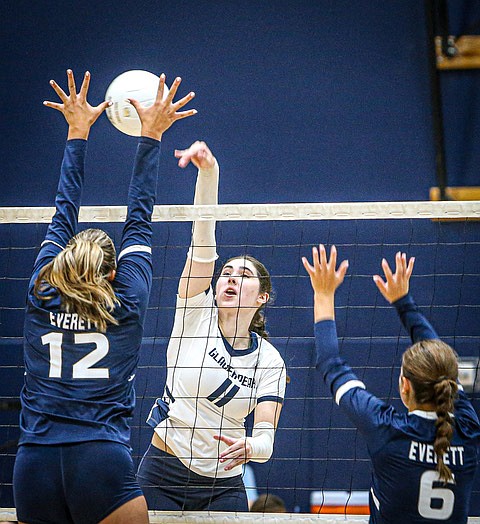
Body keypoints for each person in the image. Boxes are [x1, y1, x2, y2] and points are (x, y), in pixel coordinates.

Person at [13, 69, 196, 524]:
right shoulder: (126, 300)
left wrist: (77, 131)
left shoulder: (42, 289)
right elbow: (140, 215)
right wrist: (150, 135)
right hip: (99, 459)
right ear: (114, 272)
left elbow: (63, 211)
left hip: (33, 462)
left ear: (63, 261)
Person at [137, 141, 287, 511]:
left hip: (224, 486)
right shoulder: (195, 312)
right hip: (163, 472)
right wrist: (209, 173)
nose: (231, 278)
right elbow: (202, 243)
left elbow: (266, 436)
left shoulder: (270, 362)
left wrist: (253, 447)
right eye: (227, 273)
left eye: (244, 274)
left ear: (262, 297)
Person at [302, 246, 480, 523]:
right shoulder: (468, 430)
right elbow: (332, 363)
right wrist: (404, 302)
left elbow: (330, 363)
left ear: (404, 386)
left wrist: (323, 294)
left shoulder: (388, 430)